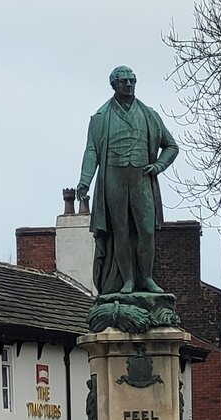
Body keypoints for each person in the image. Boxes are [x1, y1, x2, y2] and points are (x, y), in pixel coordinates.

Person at [76, 66, 179, 295]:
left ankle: (147, 278)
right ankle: (128, 280)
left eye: (132, 80)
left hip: (142, 177)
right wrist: (85, 180)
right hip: (114, 177)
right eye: (124, 81)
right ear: (114, 85)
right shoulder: (101, 118)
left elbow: (171, 146)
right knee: (119, 231)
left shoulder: (149, 115)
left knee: (146, 231)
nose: (129, 85)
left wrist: (159, 165)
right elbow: (91, 151)